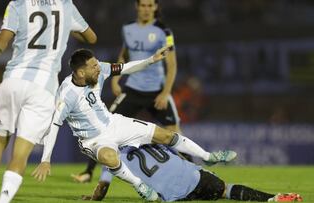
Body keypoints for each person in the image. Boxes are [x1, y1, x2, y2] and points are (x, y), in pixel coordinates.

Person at [32, 46, 236, 201]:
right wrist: (45, 159)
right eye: (93, 66)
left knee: (165, 135)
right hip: (92, 140)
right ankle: (140, 185)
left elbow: (124, 68)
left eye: (97, 64)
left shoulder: (98, 70)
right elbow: (55, 125)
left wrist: (151, 60)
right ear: (81, 73)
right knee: (109, 157)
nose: (98, 67)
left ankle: (208, 157)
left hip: (114, 123)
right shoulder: (66, 95)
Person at [0, 0, 97, 202]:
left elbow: (1, 40)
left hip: (13, 80)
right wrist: (66, 26)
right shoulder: (66, 6)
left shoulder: (18, 4)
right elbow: (91, 37)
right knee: (20, 154)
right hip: (43, 88)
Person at [72, 0, 217, 183]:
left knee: (174, 133)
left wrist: (165, 92)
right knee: (103, 127)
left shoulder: (164, 31)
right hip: (133, 90)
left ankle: (200, 174)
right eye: (143, 5)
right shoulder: (129, 29)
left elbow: (171, 64)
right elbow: (123, 56)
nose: (146, 9)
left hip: (157, 92)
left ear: (156, 8)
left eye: (150, 5)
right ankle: (88, 172)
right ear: (137, 7)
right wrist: (116, 79)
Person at [79, 144, 302, 202]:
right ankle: (271, 198)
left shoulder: (110, 159)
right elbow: (178, 154)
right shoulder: (147, 136)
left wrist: (93, 197)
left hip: (169, 195)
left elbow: (101, 190)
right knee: (225, 190)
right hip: (195, 178)